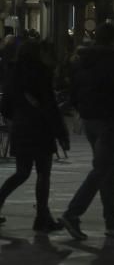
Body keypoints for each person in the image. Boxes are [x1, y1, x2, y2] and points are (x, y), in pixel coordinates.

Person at [61, 22, 114, 240]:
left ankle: (112, 219)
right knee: (102, 169)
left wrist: (80, 107)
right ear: (113, 39)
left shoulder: (83, 60)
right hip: (109, 120)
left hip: (90, 118)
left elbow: (73, 88)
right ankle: (73, 213)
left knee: (106, 169)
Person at [0, 40, 69, 232]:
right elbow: (50, 106)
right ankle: (41, 217)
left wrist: (19, 113)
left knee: (22, 172)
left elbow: (5, 107)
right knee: (43, 173)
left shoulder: (13, 74)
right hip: (41, 128)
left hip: (21, 128)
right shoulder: (41, 73)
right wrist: (61, 133)